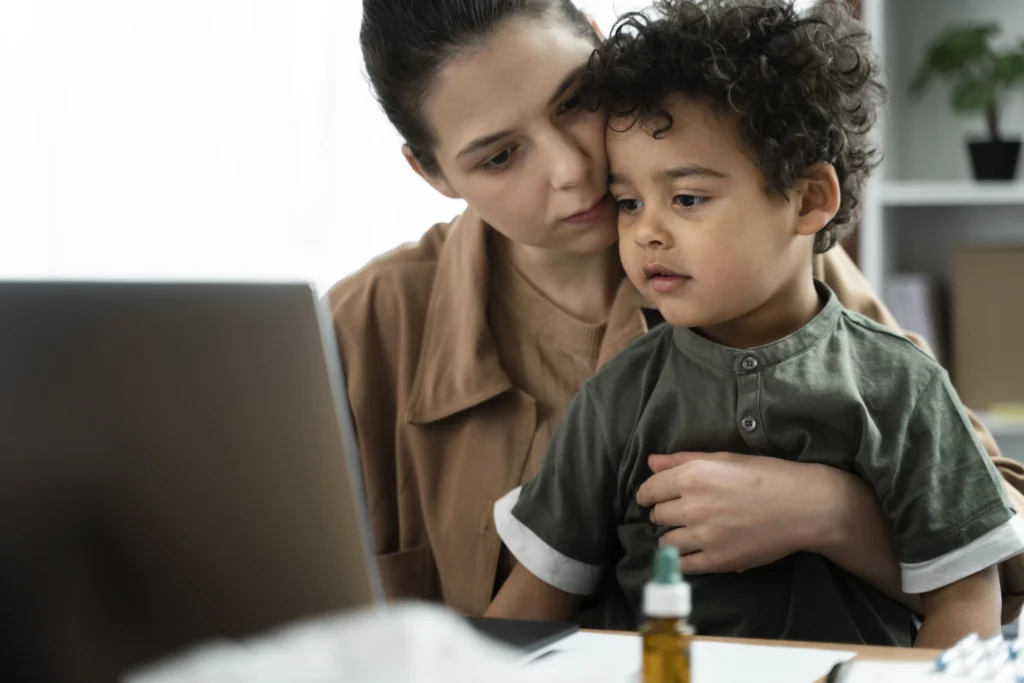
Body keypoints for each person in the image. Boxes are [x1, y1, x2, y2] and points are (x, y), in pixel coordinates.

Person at [330, 0, 1024, 624]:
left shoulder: (785, 263)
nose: (573, 169)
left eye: (575, 102)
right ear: (434, 173)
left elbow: (998, 556)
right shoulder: (357, 330)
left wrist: (836, 514)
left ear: (605, 53)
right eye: (502, 155)